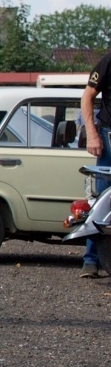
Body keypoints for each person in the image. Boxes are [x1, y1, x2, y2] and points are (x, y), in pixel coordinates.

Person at [80, 46, 111, 278]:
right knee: (102, 198)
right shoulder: (109, 61)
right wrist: (92, 134)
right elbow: (87, 97)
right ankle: (91, 259)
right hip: (109, 135)